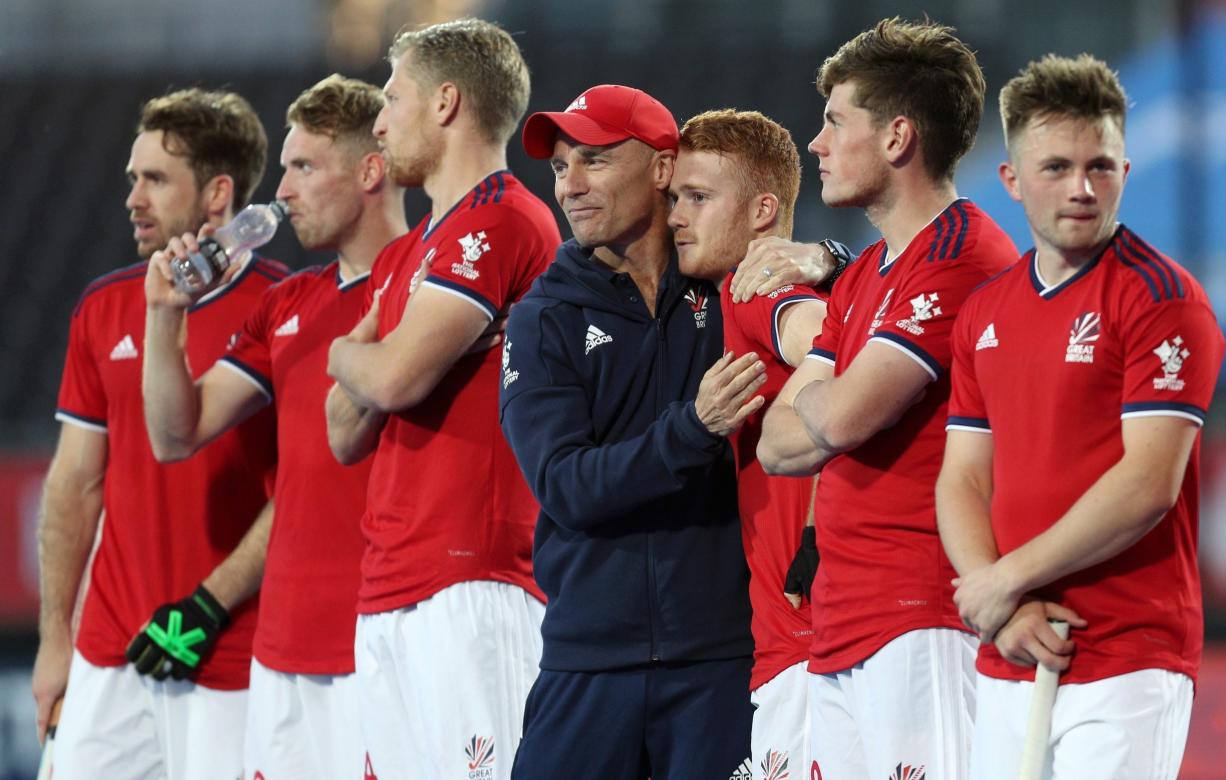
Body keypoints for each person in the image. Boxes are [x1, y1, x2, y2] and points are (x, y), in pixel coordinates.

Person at [502, 83, 836, 780]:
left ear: (659, 170)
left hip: (720, 663)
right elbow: (565, 485)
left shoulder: (726, 287)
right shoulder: (545, 316)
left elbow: (855, 324)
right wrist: (691, 429)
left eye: (592, 160)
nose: (570, 186)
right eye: (560, 167)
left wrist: (829, 255)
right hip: (588, 662)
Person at [937, 53, 1226, 779]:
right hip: (1009, 645)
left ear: (1126, 170)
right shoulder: (983, 312)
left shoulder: (1162, 297)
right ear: (1010, 179)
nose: (1081, 188)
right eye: (1056, 167)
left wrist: (1003, 582)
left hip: (1126, 649)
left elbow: (1147, 484)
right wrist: (999, 604)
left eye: (1100, 166)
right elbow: (963, 477)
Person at [757, 18, 1019, 779]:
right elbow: (779, 447)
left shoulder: (962, 256)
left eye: (836, 121)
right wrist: (828, 394)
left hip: (922, 618)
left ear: (898, 136)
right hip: (845, 622)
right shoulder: (870, 269)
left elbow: (834, 418)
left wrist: (823, 391)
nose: (817, 142)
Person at [142, 74, 406, 779]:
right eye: (284, 168)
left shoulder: (432, 286)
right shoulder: (290, 302)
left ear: (370, 170)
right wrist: (165, 314)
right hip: (283, 648)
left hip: (384, 640)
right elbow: (176, 435)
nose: (281, 192)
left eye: (304, 168)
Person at [322, 19, 560, 779]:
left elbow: (389, 381)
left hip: (472, 575)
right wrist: (371, 360)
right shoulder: (407, 253)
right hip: (394, 580)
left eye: (393, 98)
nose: (380, 121)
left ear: (446, 102)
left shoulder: (501, 218)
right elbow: (341, 430)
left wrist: (344, 351)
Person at [32, 88, 286, 780]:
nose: (133, 199)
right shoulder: (104, 307)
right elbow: (74, 486)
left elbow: (300, 492)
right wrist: (58, 643)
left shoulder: (285, 307)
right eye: (131, 179)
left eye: (154, 180)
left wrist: (210, 606)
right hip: (109, 651)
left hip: (232, 656)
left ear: (217, 194)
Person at [668, 108, 842, 780]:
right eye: (675, 198)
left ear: (763, 209)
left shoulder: (755, 292)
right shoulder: (724, 301)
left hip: (809, 650)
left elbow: (826, 333)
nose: (678, 217)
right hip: (795, 644)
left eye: (699, 198)